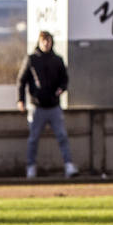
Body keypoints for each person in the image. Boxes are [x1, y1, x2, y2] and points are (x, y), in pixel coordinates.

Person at [16, 30, 78, 179]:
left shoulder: (57, 60)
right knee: (33, 138)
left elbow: (64, 79)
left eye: (48, 41)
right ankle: (31, 167)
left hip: (54, 106)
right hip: (37, 106)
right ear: (39, 42)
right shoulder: (32, 59)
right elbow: (21, 81)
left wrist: (61, 89)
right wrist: (21, 100)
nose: (46, 43)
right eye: (44, 41)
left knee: (62, 136)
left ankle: (69, 165)